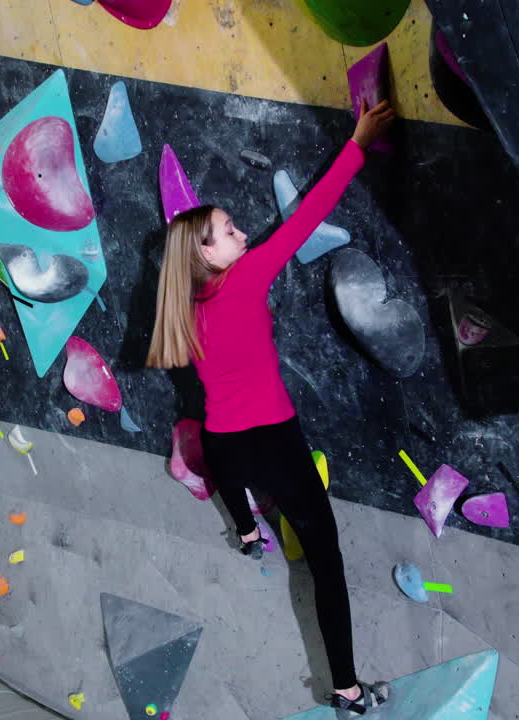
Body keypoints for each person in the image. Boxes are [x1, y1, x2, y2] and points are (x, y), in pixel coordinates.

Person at [146, 99, 396, 715]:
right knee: (325, 560)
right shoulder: (249, 277)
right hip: (274, 441)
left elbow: (216, 436)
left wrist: (251, 522)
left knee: (236, 490)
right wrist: (358, 142)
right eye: (229, 231)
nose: (242, 233)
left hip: (227, 443)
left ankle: (251, 531)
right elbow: (307, 218)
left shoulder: (186, 309)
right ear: (206, 253)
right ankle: (346, 688)